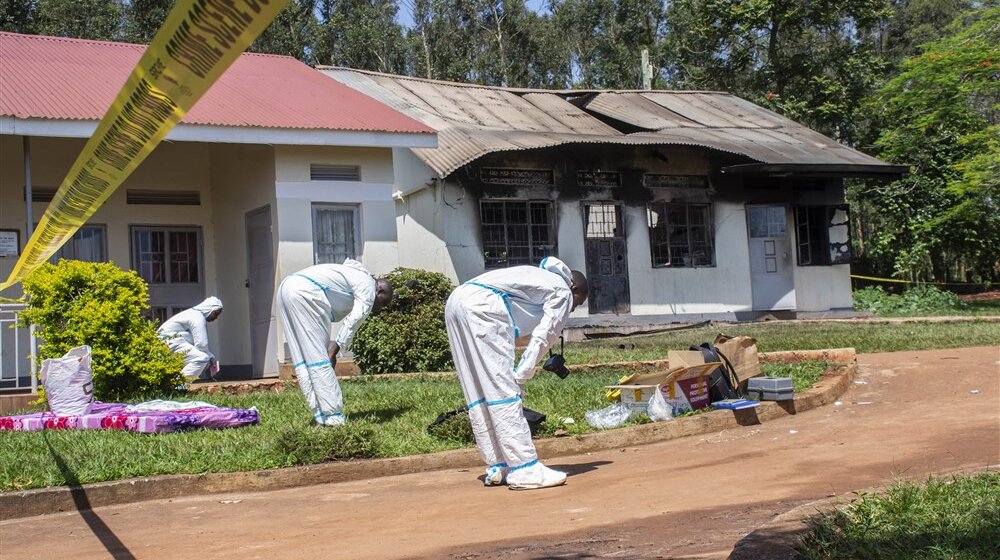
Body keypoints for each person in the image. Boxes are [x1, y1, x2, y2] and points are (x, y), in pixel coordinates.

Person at [445, 257, 588, 490]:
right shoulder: (563, 290)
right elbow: (544, 336)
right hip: (484, 309)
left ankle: (499, 465)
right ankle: (525, 468)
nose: (573, 308)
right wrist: (521, 376)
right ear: (575, 289)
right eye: (578, 303)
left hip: (456, 301)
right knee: (504, 391)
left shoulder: (539, 278)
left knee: (478, 390)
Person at [277, 259, 393, 426]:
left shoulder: (358, 276)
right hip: (306, 293)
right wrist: (333, 351)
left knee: (303, 359)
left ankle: (319, 414)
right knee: (320, 360)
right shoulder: (368, 287)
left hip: (286, 288)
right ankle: (334, 419)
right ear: (380, 290)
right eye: (383, 303)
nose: (381, 309)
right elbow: (354, 321)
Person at [157, 297, 224, 381]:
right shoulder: (197, 317)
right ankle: (179, 386)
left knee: (199, 357)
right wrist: (210, 357)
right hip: (170, 342)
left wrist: (211, 357)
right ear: (210, 309)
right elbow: (201, 344)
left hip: (169, 343)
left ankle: (175, 384)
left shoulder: (194, 314)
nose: (216, 317)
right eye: (216, 313)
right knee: (202, 358)